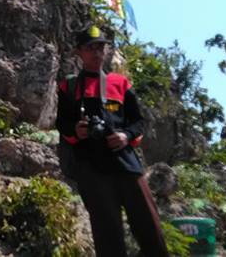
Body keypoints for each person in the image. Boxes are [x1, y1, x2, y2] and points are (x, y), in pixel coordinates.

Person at [56, 26, 169, 257]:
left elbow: (138, 121)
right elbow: (62, 123)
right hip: (91, 168)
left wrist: (125, 135)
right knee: (108, 236)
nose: (97, 53)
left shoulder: (120, 83)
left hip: (126, 163)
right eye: (90, 48)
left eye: (101, 47)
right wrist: (76, 131)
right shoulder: (69, 86)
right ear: (79, 52)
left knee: (150, 226)